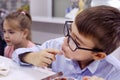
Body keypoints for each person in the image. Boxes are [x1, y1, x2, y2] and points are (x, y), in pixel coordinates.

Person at [12, 5, 120, 80]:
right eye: (70, 31)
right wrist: (30, 57)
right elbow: (16, 54)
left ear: (98, 55)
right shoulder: (55, 45)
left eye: (75, 42)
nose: (65, 41)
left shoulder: (114, 72)